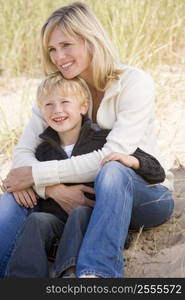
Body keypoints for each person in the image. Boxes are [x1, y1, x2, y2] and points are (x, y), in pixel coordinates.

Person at [1, 2, 174, 278]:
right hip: (82, 196)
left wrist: (35, 175)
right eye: (52, 50)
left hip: (143, 193)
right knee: (13, 198)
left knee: (114, 170)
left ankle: (98, 276)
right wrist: (51, 189)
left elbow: (110, 156)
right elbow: (24, 152)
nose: (59, 57)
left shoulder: (134, 83)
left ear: (90, 40)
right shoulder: (57, 91)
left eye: (66, 45)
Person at [5, 71, 165, 278]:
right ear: (41, 113)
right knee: (37, 220)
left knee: (81, 213)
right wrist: (29, 185)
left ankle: (71, 274)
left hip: (92, 223)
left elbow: (156, 171)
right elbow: (19, 177)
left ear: (83, 107)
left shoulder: (102, 141)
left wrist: (133, 161)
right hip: (57, 225)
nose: (57, 110)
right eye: (49, 105)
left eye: (65, 102)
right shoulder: (42, 152)